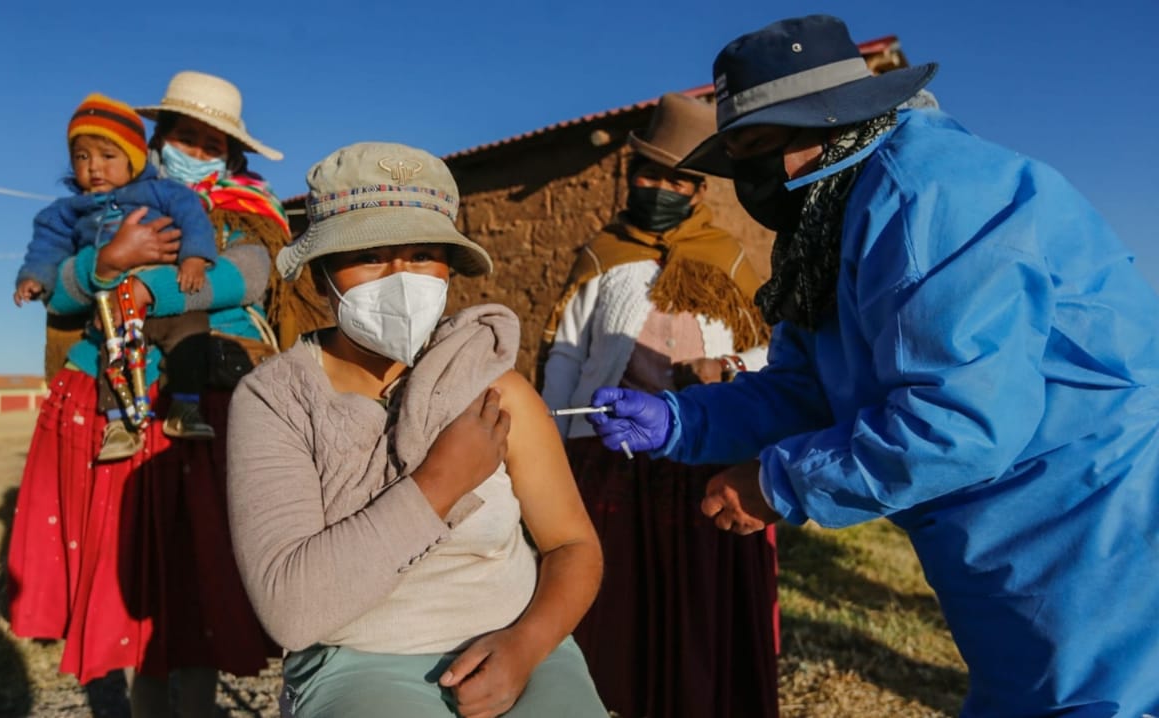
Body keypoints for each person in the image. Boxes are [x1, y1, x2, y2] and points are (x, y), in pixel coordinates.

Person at [586, 15, 1159, 717]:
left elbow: (959, 423)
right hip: (1002, 533)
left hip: (1096, 517)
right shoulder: (830, 220)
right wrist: (683, 420)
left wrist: (778, 482)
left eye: (765, 145)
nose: (753, 178)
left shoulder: (930, 196)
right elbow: (808, 389)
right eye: (740, 156)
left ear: (834, 119)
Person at [229, 141, 609, 718]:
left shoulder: (493, 386)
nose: (402, 279)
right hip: (358, 659)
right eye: (371, 256)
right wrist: (438, 482)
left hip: (521, 648)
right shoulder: (276, 400)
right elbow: (290, 609)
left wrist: (526, 648)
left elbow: (572, 545)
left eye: (423, 254)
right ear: (322, 273)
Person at [6, 70, 303, 718]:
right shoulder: (114, 205)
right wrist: (104, 263)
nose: (193, 151)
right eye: (182, 136)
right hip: (111, 391)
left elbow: (247, 278)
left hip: (199, 396)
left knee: (195, 571)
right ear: (158, 139)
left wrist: (150, 290)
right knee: (130, 567)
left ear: (231, 155)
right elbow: (60, 292)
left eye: (208, 143)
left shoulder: (250, 208)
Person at [538, 92, 778, 718]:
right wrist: (549, 447)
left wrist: (724, 370)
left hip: (706, 456)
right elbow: (566, 352)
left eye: (678, 178)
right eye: (649, 174)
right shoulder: (601, 254)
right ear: (630, 176)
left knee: (700, 600)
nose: (661, 187)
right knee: (612, 600)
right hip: (609, 457)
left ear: (699, 190)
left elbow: (768, 357)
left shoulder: (726, 258)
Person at [14, 92, 218, 461]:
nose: (94, 168)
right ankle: (117, 425)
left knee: (193, 333)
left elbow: (191, 217)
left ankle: (185, 408)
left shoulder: (162, 191)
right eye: (82, 157)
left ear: (135, 159)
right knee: (110, 353)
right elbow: (47, 247)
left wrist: (194, 258)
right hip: (111, 303)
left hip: (168, 294)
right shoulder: (65, 212)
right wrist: (34, 277)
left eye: (108, 156)